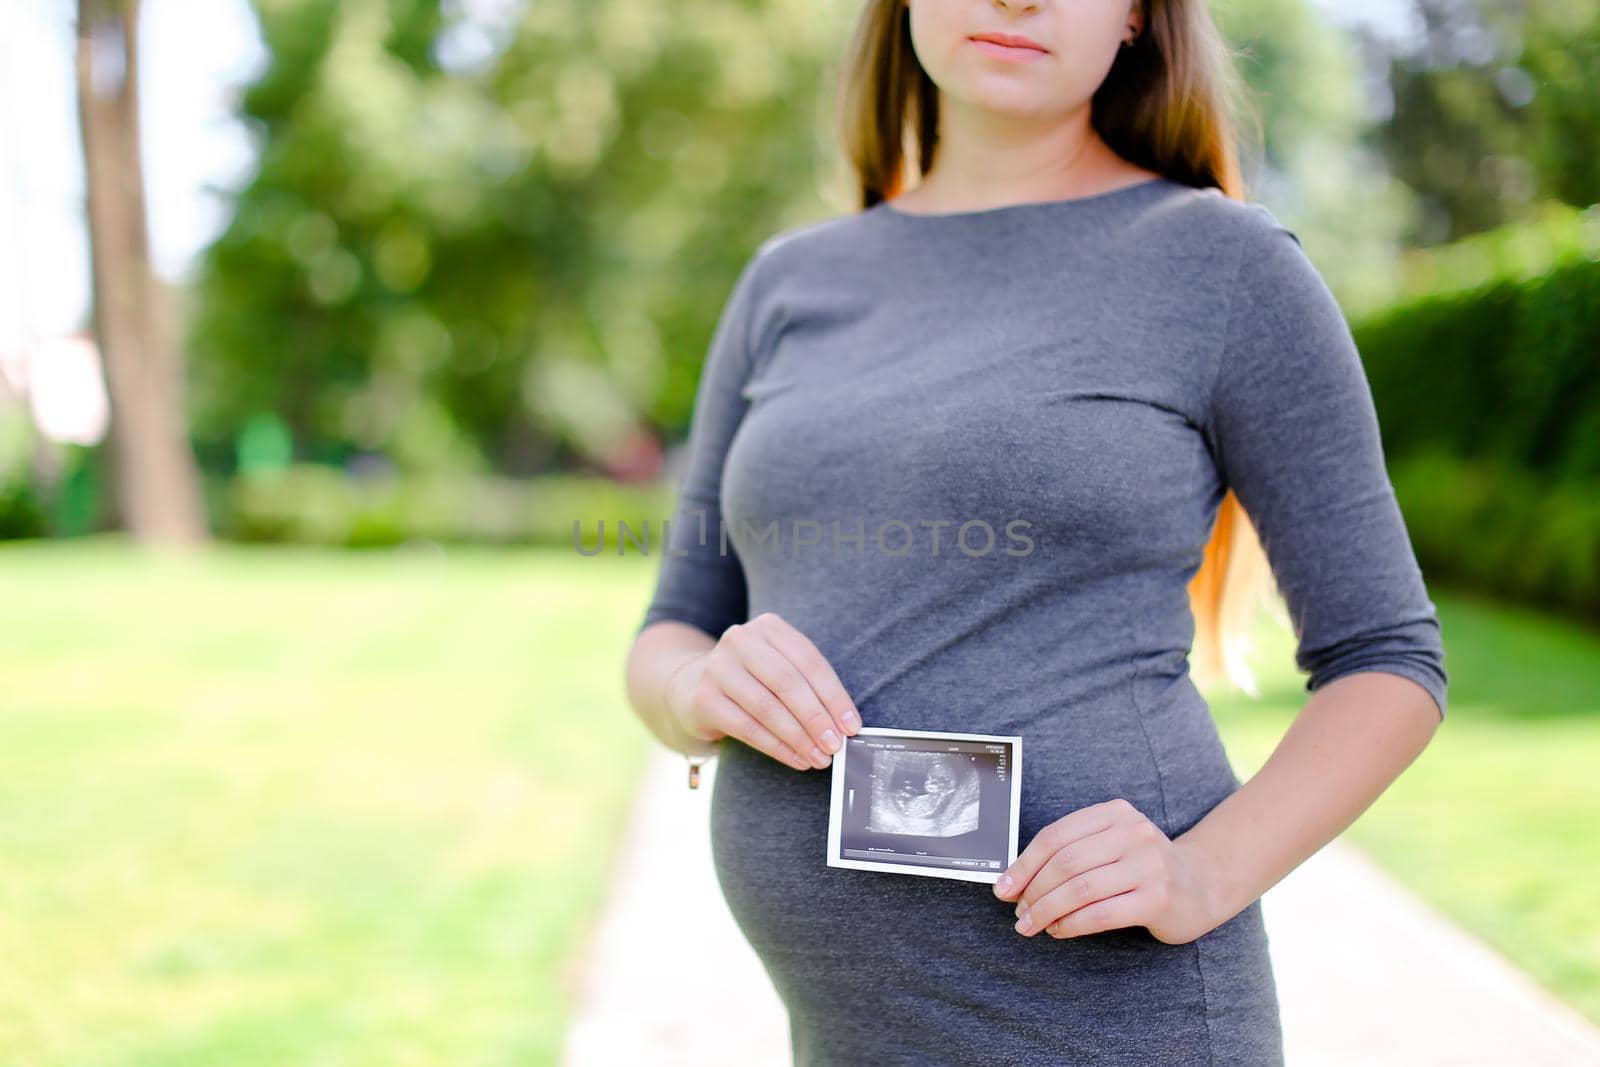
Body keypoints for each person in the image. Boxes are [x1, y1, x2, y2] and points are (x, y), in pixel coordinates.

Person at [623, 0, 1449, 1062]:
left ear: (1140, 20)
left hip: (1112, 1021)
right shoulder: (788, 282)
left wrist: (1204, 870)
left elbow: (1388, 658)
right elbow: (673, 628)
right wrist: (696, 689)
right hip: (847, 1035)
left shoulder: (1224, 268)